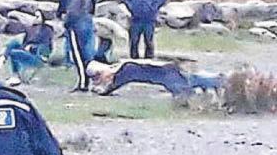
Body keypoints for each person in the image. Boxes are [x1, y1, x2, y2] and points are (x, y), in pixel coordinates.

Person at [87, 59, 224, 98]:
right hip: (165, 72)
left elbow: (115, 85)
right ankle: (216, 81)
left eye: (99, 76)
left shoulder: (125, 69)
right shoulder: (123, 66)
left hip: (165, 74)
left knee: (186, 89)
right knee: (192, 80)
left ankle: (219, 82)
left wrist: (102, 92)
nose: (101, 80)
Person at [57, 0, 95, 92]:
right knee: (86, 53)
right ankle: (86, 80)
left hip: (77, 26)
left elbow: (72, 12)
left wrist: (66, 22)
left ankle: (83, 82)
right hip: (86, 22)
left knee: (78, 55)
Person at [4, 11, 55, 85]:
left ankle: (15, 76)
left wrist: (32, 47)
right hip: (27, 52)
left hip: (37, 56)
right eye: (33, 16)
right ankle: (3, 58)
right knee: (14, 43)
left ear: (43, 18)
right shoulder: (30, 28)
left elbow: (46, 47)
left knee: (13, 53)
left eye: (37, 16)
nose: (34, 18)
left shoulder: (47, 29)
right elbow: (24, 43)